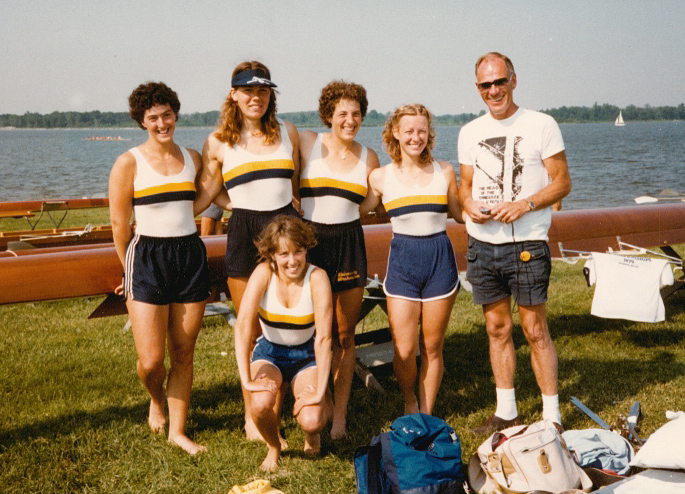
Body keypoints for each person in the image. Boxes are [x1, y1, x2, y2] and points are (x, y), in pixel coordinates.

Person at [457, 52, 572, 434]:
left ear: (513, 80)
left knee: (535, 329)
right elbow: (464, 187)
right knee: (496, 328)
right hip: (483, 245)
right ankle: (506, 411)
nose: (494, 90)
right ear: (478, 88)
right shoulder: (469, 131)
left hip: (527, 242)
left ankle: (551, 415)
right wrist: (469, 205)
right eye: (486, 85)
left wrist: (524, 204)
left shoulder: (542, 124)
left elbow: (562, 183)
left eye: (499, 82)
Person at [195, 61, 300, 442]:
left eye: (263, 90)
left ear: (270, 95)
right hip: (243, 232)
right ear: (233, 95)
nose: (255, 97)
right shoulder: (219, 141)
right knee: (249, 327)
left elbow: (298, 184)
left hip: (286, 233)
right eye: (247, 90)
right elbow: (207, 193)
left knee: (290, 322)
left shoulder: (288, 132)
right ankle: (252, 415)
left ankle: (286, 403)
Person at [109, 82, 210, 454]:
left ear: (176, 114)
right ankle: (156, 399)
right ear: (142, 121)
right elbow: (120, 225)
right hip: (146, 258)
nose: (162, 123)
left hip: (189, 255)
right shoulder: (128, 162)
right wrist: (128, 271)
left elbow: (199, 201)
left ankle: (178, 431)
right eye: (153, 117)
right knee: (152, 362)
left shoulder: (194, 157)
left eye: (167, 114)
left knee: (184, 351)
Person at [362, 104, 463, 415]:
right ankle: (409, 401)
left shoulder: (444, 171)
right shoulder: (379, 177)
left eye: (422, 131)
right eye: (409, 131)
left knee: (431, 347)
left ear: (429, 133)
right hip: (403, 264)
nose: (415, 137)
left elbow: (460, 214)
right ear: (396, 133)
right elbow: (357, 208)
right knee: (404, 350)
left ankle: (427, 414)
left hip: (439, 262)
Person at [298, 80, 380, 438]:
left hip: (348, 242)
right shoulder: (307, 143)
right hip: (310, 242)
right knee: (314, 331)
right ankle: (318, 399)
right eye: (342, 113)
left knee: (345, 335)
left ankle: (341, 415)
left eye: (356, 114)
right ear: (328, 115)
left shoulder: (369, 157)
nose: (350, 120)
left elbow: (370, 204)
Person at [234, 215, 332, 471]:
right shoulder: (264, 274)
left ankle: (312, 434)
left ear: (306, 249)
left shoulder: (317, 278)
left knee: (312, 419)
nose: (292, 261)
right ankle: (273, 444)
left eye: (298, 252)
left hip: (306, 355)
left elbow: (323, 338)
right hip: (270, 352)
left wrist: (320, 391)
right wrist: (246, 381)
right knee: (259, 403)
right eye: (284, 253)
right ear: (272, 255)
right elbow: (243, 326)